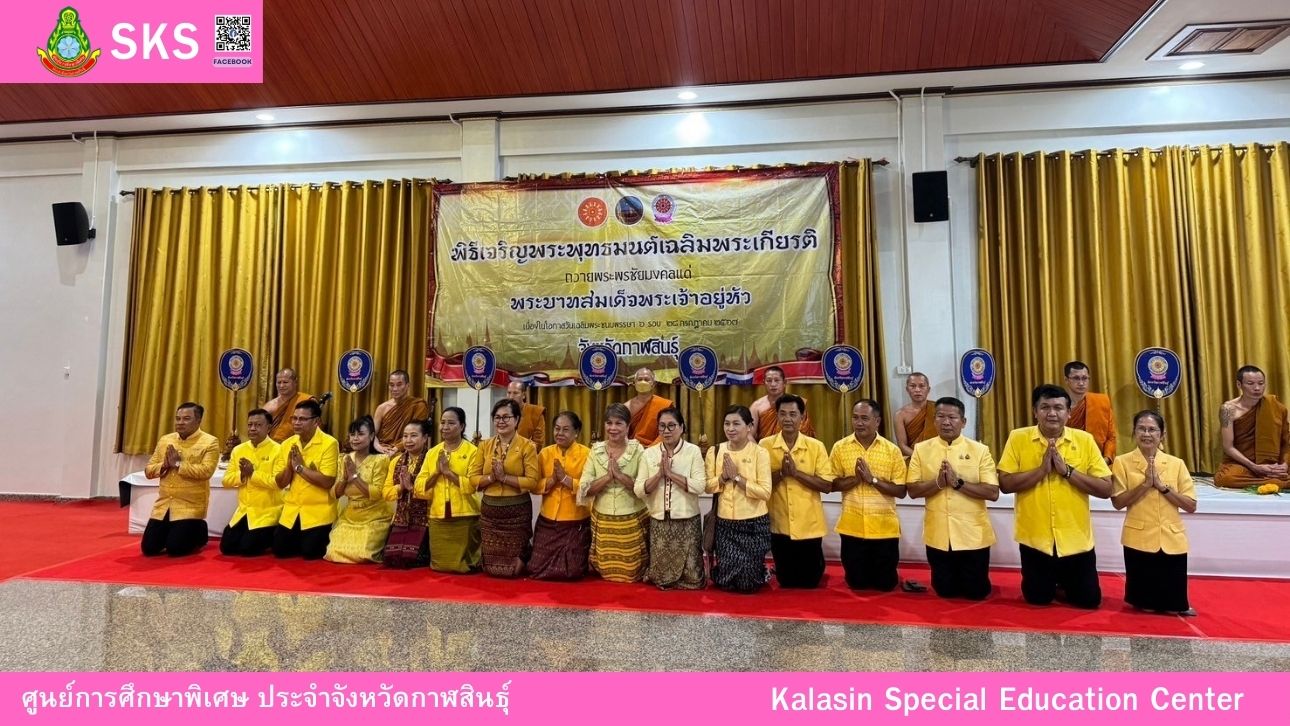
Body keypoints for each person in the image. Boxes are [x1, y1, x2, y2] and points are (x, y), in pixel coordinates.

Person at [998, 384, 1113, 609]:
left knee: (1089, 602)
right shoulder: (1018, 438)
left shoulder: (1084, 440)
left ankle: (1063, 583)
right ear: (1035, 411)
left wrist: (1067, 472)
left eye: (1059, 408)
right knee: (1037, 599)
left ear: (1069, 413)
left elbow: (1105, 488)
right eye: (1045, 407)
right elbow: (1005, 484)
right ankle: (1053, 584)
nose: (1052, 413)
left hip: (1075, 539)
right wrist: (1041, 471)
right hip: (1036, 539)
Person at [906, 397, 1000, 600]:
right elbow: (912, 490)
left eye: (952, 417)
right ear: (934, 420)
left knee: (977, 593)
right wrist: (938, 483)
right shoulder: (921, 450)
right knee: (944, 592)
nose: (946, 422)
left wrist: (958, 483)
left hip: (972, 535)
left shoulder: (980, 451)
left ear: (963, 421)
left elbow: (992, 492)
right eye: (940, 416)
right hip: (938, 534)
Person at [1111, 410, 1198, 616]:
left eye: (1152, 429)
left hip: (1170, 535)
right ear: (1133, 432)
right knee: (1145, 606)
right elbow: (1118, 502)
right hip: (1138, 536)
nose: (1147, 434)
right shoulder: (1122, 462)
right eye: (1141, 429)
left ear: (1162, 435)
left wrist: (1162, 487)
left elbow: (1191, 505)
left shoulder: (1176, 464)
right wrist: (1145, 485)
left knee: (1174, 605)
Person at [830, 399, 912, 592]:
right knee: (856, 584)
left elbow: (901, 491)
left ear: (877, 422)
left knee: (886, 585)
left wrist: (872, 480)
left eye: (865, 418)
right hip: (852, 528)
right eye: (855, 418)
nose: (859, 423)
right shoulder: (840, 448)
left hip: (884, 529)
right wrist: (856, 480)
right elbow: (831, 484)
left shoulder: (892, 450)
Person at [760, 394, 835, 588]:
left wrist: (796, 474)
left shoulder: (815, 446)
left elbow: (827, 485)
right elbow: (761, 484)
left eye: (793, 414)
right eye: (783, 414)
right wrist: (782, 474)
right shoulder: (765, 446)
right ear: (776, 416)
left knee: (811, 582)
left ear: (802, 417)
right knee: (786, 581)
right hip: (779, 524)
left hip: (809, 523)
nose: (788, 419)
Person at [466, 398, 540, 577]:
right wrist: (492, 477)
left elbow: (532, 481)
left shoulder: (527, 446)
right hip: (490, 511)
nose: (501, 421)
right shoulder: (485, 446)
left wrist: (505, 478)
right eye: (497, 417)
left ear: (517, 420)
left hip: (517, 511)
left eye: (506, 417)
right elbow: (473, 479)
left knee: (515, 570)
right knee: (492, 569)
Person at [635, 407, 708, 589]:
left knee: (692, 577)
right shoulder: (649, 453)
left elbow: (699, 486)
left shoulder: (693, 452)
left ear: (681, 427)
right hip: (659, 519)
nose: (666, 431)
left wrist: (670, 474)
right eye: (662, 427)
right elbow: (639, 489)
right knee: (659, 576)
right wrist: (659, 474)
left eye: (671, 426)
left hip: (686, 520)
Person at [578, 403, 649, 582]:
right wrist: (607, 478)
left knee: (631, 574)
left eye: (618, 423)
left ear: (628, 426)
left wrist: (620, 475)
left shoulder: (638, 450)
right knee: (605, 577)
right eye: (609, 423)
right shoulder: (596, 450)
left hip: (631, 518)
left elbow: (643, 488)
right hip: (603, 519)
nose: (613, 428)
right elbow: (585, 488)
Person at [705, 405, 773, 593]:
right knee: (727, 583)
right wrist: (722, 478)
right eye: (727, 424)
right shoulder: (715, 451)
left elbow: (765, 492)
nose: (730, 428)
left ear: (749, 427)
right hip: (725, 523)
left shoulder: (760, 453)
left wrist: (737, 478)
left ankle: (761, 572)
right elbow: (707, 486)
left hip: (753, 523)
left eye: (736, 424)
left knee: (747, 585)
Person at [142, 402, 221, 557]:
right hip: (164, 504)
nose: (180, 422)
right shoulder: (166, 440)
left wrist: (178, 464)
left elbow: (206, 471)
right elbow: (148, 470)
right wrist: (164, 465)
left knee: (176, 549)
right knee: (149, 549)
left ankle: (199, 528)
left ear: (198, 421)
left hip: (189, 505)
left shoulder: (210, 442)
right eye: (178, 418)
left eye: (186, 419)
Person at [415, 407, 482, 573]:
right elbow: (418, 486)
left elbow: (474, 484)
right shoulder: (432, 453)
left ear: (462, 426)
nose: (445, 427)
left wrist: (449, 473)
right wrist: (437, 472)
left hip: (465, 513)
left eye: (451, 423)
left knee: (465, 565)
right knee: (440, 566)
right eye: (443, 422)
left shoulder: (473, 452)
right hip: (438, 513)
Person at [271, 399, 340, 560]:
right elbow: (280, 483)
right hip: (293, 509)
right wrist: (290, 465)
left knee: (311, 552)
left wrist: (300, 468)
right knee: (280, 551)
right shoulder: (288, 444)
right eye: (294, 418)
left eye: (302, 419)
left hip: (318, 510)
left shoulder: (329, 444)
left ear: (316, 421)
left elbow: (327, 481)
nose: (296, 423)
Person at [529, 411, 593, 580]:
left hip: (575, 521)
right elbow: (533, 485)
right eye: (557, 429)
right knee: (535, 568)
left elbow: (590, 487)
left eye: (565, 429)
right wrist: (550, 482)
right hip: (548, 520)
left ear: (576, 432)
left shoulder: (587, 455)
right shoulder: (545, 454)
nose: (559, 433)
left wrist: (566, 480)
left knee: (572, 572)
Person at [323, 417, 392, 564]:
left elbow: (376, 494)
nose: (355, 438)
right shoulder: (345, 458)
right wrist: (344, 479)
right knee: (332, 552)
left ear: (372, 436)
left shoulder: (381, 460)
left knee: (363, 553)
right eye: (352, 434)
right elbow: (334, 494)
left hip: (374, 516)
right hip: (350, 516)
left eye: (360, 434)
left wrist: (355, 477)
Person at [220, 408, 283, 557]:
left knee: (247, 549)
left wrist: (252, 474)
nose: (253, 428)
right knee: (227, 548)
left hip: (267, 512)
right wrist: (242, 475)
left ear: (269, 427)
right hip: (244, 511)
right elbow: (226, 481)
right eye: (250, 425)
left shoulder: (278, 450)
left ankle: (274, 532)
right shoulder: (239, 450)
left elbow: (276, 482)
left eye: (258, 425)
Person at [1214, 365, 1290, 489]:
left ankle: (1273, 476)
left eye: (1261, 383)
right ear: (1239, 385)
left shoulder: (1276, 407)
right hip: (1242, 464)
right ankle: (1278, 482)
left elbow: (1286, 442)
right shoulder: (1228, 409)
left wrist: (1284, 465)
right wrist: (1254, 466)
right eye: (1250, 383)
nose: (1257, 388)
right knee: (1226, 479)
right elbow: (1228, 447)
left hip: (1271, 464)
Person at [382, 419, 434, 568]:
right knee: (392, 560)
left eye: (413, 436)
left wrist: (412, 488)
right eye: (405, 436)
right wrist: (401, 487)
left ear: (425, 438)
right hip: (401, 518)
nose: (408, 440)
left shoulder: (431, 459)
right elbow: (386, 493)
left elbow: (432, 492)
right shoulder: (396, 461)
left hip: (425, 519)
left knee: (414, 560)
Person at [1064, 361, 1117, 465]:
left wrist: (1106, 459)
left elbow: (1111, 437)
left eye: (1084, 378)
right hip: (1066, 461)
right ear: (1066, 380)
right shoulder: (1058, 405)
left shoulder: (1101, 401)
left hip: (1098, 460)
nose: (1081, 383)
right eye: (1076, 378)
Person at [372, 370, 430, 455]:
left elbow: (418, 433)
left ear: (407, 386)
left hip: (406, 449)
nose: (395, 389)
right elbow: (371, 433)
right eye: (391, 385)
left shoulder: (418, 405)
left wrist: (396, 448)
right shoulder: (382, 408)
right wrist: (378, 446)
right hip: (382, 450)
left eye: (399, 385)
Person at [749, 366, 816, 440]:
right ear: (764, 382)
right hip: (766, 448)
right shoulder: (756, 406)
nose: (773, 384)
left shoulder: (797, 402)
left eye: (777, 380)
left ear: (784, 382)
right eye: (769, 380)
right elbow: (748, 435)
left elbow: (805, 432)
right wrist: (760, 451)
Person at [625, 367, 674, 447]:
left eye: (647, 379)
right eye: (639, 379)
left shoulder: (664, 405)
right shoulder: (626, 407)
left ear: (653, 384)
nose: (643, 382)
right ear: (634, 383)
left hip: (657, 450)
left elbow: (668, 430)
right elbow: (621, 433)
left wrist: (651, 450)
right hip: (633, 451)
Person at [263, 368, 314, 443]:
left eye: (285, 382)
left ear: (295, 382)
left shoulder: (307, 401)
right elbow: (261, 428)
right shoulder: (270, 406)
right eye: (279, 382)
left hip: (300, 444)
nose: (281, 385)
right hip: (274, 446)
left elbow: (315, 427)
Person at [893, 372, 936, 458]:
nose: (917, 390)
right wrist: (920, 458)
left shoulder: (937, 409)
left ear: (928, 389)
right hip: (914, 459)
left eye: (921, 386)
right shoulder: (900, 415)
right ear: (907, 389)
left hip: (937, 457)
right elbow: (902, 446)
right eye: (912, 386)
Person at [508, 380, 547, 450]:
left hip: (527, 456)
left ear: (524, 395)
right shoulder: (504, 412)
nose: (511, 397)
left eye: (515, 393)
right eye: (509, 393)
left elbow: (538, 443)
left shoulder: (536, 412)